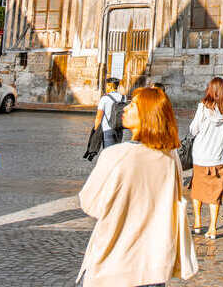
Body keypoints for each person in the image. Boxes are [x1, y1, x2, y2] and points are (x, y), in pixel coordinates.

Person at [77, 86, 186, 287]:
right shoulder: (172, 157)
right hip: (154, 266)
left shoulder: (116, 155)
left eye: (133, 105)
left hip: (115, 265)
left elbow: (90, 204)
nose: (125, 109)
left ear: (147, 114)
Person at [190, 76, 223, 239]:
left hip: (201, 155)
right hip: (218, 157)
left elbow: (193, 129)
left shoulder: (203, 108)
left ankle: (198, 223)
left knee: (197, 190)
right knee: (215, 193)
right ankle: (213, 228)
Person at [94, 78, 126, 149]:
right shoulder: (123, 98)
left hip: (107, 129)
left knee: (107, 153)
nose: (106, 87)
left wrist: (95, 131)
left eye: (107, 85)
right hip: (119, 129)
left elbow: (98, 117)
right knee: (116, 153)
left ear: (110, 86)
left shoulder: (104, 98)